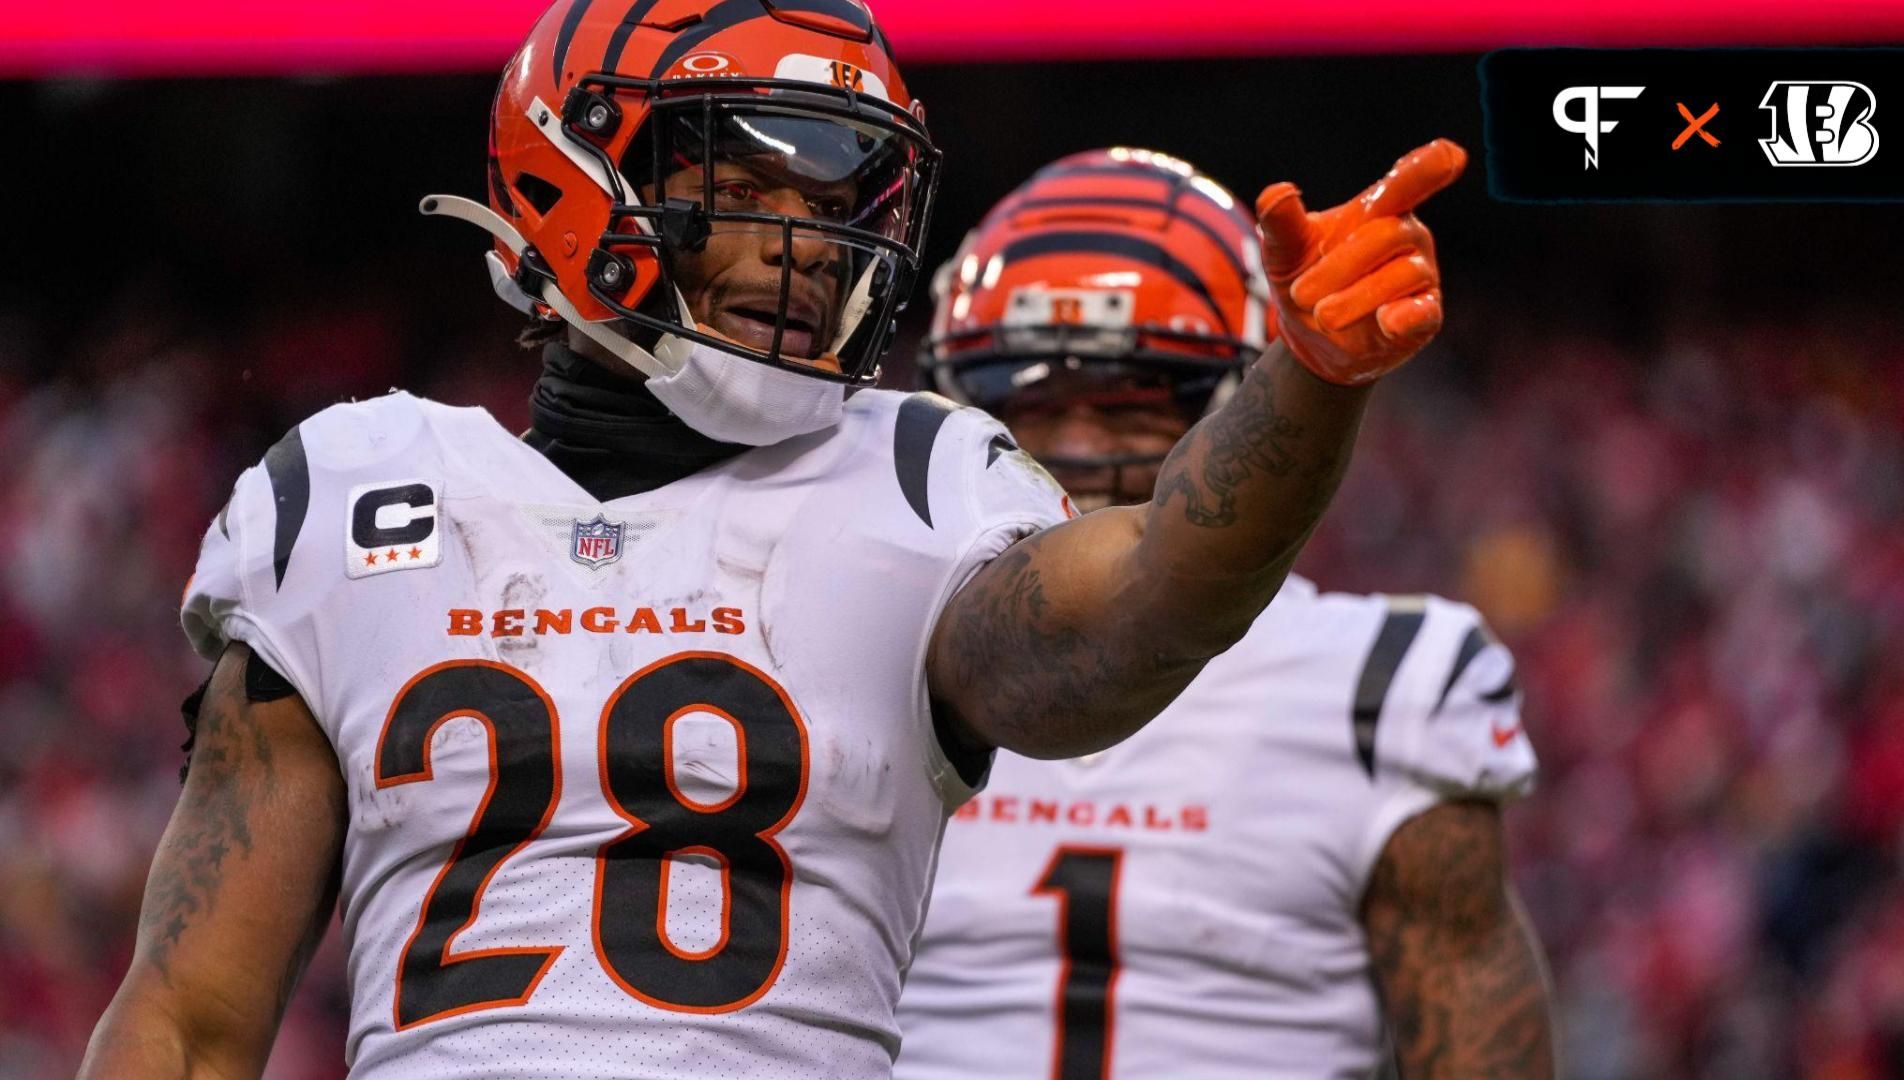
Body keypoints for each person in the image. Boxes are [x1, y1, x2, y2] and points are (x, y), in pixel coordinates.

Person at [80, 0, 1466, 1072]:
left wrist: (1305, 377)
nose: (815, 248)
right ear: (574, 178)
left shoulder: (922, 481)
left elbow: (1145, 610)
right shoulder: (350, 494)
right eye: (751, 183)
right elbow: (193, 1022)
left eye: (840, 201)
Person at [895, 149, 1554, 1079]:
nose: (1077, 447)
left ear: (1252, 404)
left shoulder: (1380, 683)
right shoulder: (873, 634)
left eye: (1132, 404)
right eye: (1028, 400)